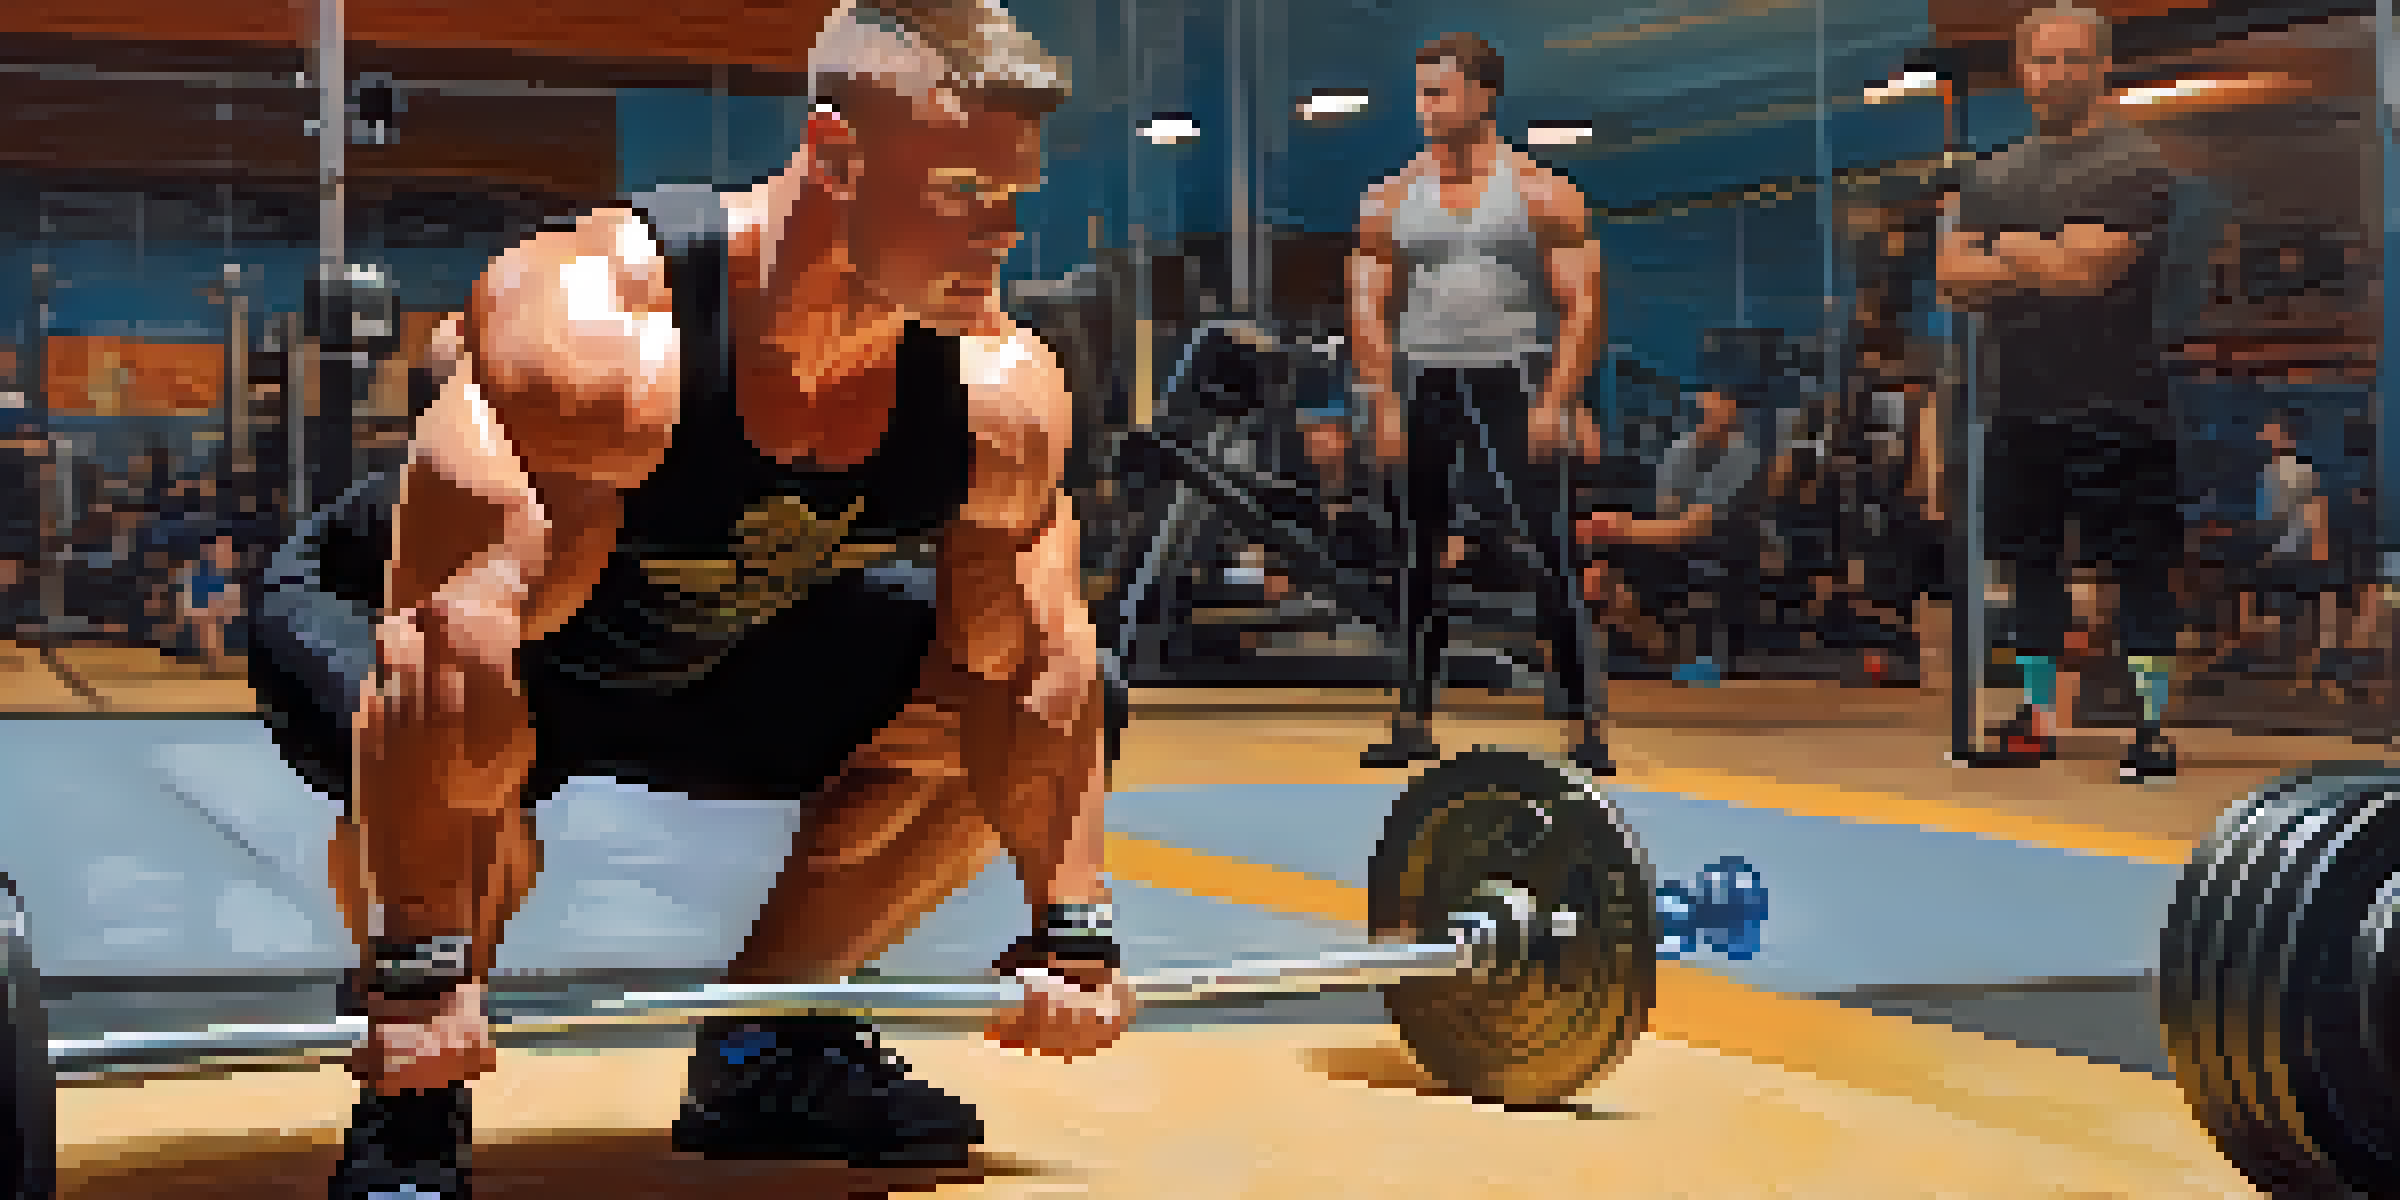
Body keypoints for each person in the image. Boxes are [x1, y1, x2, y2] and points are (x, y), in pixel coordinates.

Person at [249, 5, 1135, 1195]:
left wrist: (1072, 927)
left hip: (700, 642)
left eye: (1014, 191)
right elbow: (445, 652)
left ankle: (770, 1040)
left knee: (1020, 691)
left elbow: (1033, 668)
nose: (1005, 230)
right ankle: (416, 1100)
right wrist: (419, 972)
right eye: (963, 189)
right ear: (832, 157)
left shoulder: (997, 391)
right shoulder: (600, 335)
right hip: (407, 629)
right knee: (481, 803)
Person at [1936, 3, 2186, 781]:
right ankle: (2037, 719)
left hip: (2121, 403)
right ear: (2023, 70)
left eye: (2074, 60)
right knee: (2030, 566)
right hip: (2022, 401)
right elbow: (1950, 279)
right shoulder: (1995, 173)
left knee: (2138, 567)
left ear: (2102, 68)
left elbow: (2089, 271)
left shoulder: (2134, 165)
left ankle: (2150, 728)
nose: (2057, 75)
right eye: (2044, 61)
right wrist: (2045, 252)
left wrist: (2004, 250)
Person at [1350, 32, 1611, 773]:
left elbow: (1582, 303)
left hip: (1516, 374)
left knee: (1551, 547)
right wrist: (1386, 401)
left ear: (1484, 96)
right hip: (1426, 375)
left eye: (1440, 94)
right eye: (1423, 95)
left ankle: (1582, 724)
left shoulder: (1540, 193)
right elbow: (1371, 304)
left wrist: (1556, 397)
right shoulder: (1392, 197)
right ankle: (1412, 718)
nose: (1427, 109)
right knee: (1416, 552)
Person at [1575, 385, 1767, 684]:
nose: (1710, 405)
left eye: (1721, 399)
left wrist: (1617, 527)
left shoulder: (1743, 456)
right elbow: (1666, 512)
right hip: (1670, 545)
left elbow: (1692, 526)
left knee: (1616, 554)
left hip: (1721, 550)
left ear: (1736, 411)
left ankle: (1658, 645)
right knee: (1597, 564)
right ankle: (1615, 613)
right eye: (1710, 397)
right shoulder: (1682, 449)